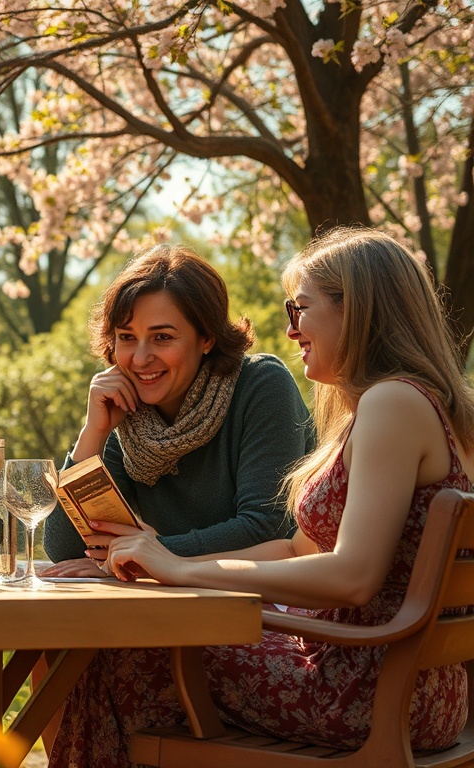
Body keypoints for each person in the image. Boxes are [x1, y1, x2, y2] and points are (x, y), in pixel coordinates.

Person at [50, 227, 474, 767]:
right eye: (125, 338)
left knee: (117, 652)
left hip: (366, 689)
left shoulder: (393, 404)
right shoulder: (419, 406)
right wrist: (166, 564)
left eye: (300, 310)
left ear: (358, 309)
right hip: (404, 685)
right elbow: (297, 549)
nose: (292, 330)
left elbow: (353, 576)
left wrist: (177, 568)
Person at [43, 243, 312, 575]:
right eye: (127, 337)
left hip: (274, 598)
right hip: (182, 600)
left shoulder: (261, 385)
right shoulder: (130, 417)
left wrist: (151, 553)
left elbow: (266, 526)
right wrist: (93, 434)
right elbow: (65, 548)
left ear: (207, 338)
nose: (140, 359)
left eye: (162, 338)